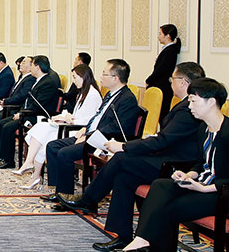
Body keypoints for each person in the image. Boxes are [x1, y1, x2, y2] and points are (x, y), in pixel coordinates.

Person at [58, 62, 205, 252]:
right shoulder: (184, 105)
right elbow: (166, 138)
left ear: (183, 82)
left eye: (172, 79)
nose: (170, 83)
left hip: (175, 164)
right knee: (124, 177)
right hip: (165, 156)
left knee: (121, 158)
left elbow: (164, 140)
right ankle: (123, 236)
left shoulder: (188, 109)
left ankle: (88, 199)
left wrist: (124, 146)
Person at [120, 78, 229, 252]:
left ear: (211, 102)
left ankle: (148, 244)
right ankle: (142, 239)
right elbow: (202, 163)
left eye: (193, 101)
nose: (190, 106)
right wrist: (189, 175)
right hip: (203, 184)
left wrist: (204, 188)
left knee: (170, 207)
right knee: (160, 184)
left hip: (224, 194)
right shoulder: (203, 129)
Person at [43, 59, 140, 202]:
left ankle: (65, 194)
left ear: (116, 78)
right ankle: (59, 190)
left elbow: (117, 127)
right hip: (91, 135)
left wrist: (90, 135)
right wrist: (86, 129)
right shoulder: (110, 95)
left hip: (103, 141)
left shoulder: (127, 99)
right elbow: (97, 118)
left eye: (104, 74)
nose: (101, 77)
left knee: (64, 153)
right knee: (53, 146)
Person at [13, 64, 102, 189]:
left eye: (75, 77)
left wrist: (70, 119)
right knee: (41, 127)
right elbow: (78, 115)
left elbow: (90, 121)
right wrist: (64, 117)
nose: (74, 81)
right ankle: (29, 164)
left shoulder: (93, 95)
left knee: (45, 141)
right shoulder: (83, 93)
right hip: (71, 126)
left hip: (77, 131)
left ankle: (35, 175)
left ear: (83, 77)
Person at [0, 55, 61, 169]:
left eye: (32, 65)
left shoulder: (47, 83)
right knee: (2, 123)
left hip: (36, 116)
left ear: (37, 67)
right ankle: (2, 157)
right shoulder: (38, 80)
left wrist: (22, 113)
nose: (30, 67)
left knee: (8, 127)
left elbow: (38, 106)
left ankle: (8, 161)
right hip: (28, 112)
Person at [145, 24, 182, 123]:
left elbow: (161, 70)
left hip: (163, 88)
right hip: (161, 86)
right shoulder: (167, 49)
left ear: (168, 36)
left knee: (163, 117)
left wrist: (149, 80)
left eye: (160, 34)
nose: (158, 36)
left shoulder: (170, 51)